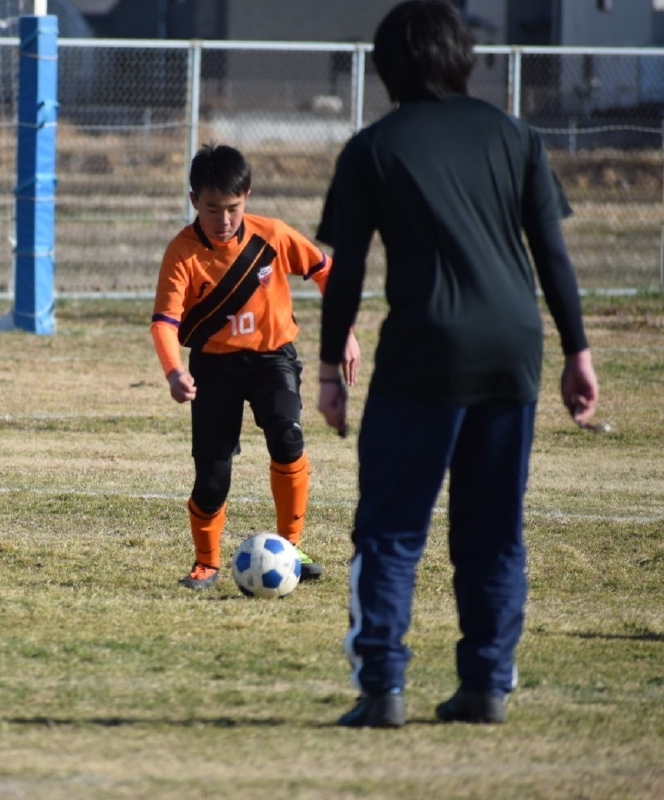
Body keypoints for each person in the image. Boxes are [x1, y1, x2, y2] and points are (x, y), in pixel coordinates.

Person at [315, 0, 600, 728]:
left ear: (386, 68)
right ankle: (486, 685)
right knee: (493, 527)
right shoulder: (517, 137)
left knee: (390, 528)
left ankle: (383, 688)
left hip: (425, 349)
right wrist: (578, 351)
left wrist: (328, 369)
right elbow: (552, 255)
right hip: (513, 347)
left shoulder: (372, 148)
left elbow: (346, 271)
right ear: (464, 58)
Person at [150, 143, 361, 591]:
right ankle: (206, 564)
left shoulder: (273, 235)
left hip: (272, 359)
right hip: (213, 368)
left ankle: (291, 548)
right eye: (212, 209)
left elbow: (328, 271)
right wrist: (174, 371)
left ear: (247, 196)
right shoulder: (182, 253)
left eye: (233, 208)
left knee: (287, 437)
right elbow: (165, 322)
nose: (224, 220)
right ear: (194, 201)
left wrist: (344, 330)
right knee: (212, 477)